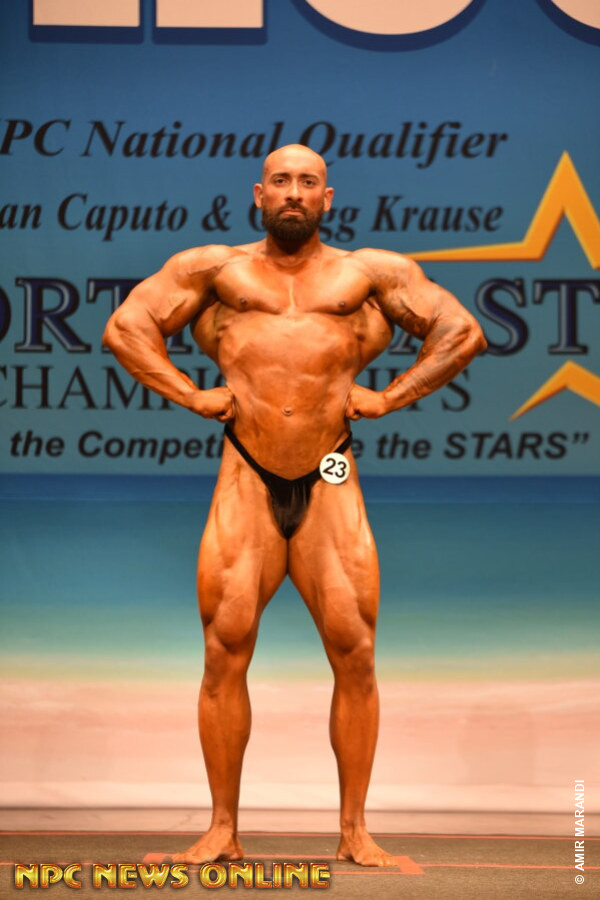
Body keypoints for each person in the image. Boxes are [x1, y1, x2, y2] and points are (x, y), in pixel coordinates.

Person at [103, 144, 487, 867]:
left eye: (307, 183)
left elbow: (462, 331)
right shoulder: (216, 270)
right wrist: (189, 394)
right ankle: (221, 829)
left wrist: (392, 396)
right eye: (281, 181)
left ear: (326, 198)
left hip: (331, 472)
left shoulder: (367, 274)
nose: (293, 192)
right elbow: (126, 328)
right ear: (259, 193)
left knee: (355, 650)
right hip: (245, 472)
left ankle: (355, 832)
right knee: (224, 649)